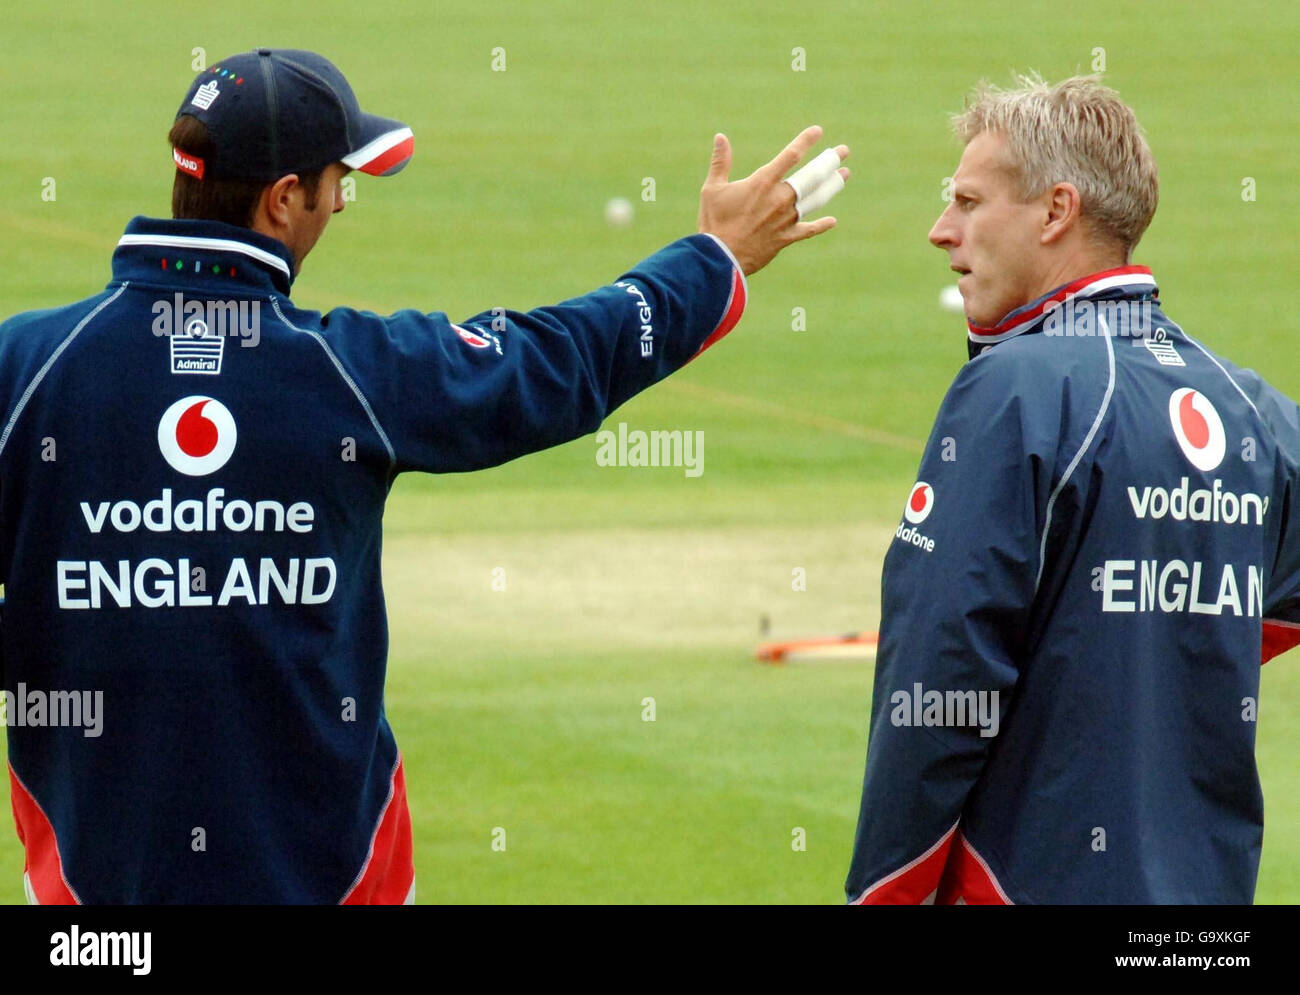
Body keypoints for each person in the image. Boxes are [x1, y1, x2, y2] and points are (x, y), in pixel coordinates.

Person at [0, 48, 848, 904]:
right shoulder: (348, 372)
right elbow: (552, 363)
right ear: (282, 198)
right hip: (336, 880)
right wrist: (712, 258)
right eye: (338, 181)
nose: (340, 202)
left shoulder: (25, 366)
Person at [844, 73, 1300, 904]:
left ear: (1056, 213)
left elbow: (944, 672)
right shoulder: (1252, 408)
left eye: (969, 202)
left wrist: (882, 889)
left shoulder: (1015, 390)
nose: (940, 231)